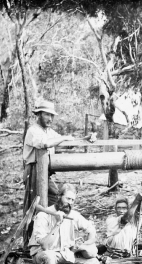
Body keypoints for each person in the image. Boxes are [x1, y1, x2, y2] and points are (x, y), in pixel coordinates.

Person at [21, 99, 93, 240]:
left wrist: (85, 138)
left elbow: (66, 143)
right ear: (39, 114)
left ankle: (52, 236)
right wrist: (64, 137)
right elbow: (44, 143)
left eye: (52, 115)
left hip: (45, 173)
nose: (50, 118)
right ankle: (31, 242)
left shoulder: (49, 131)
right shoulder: (33, 131)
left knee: (55, 199)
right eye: (47, 115)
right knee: (34, 205)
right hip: (33, 171)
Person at [28, 183, 100, 264]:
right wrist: (57, 223)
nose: (70, 203)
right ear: (59, 197)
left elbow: (91, 230)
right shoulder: (43, 215)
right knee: (49, 255)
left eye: (72, 200)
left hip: (64, 254)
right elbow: (45, 246)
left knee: (93, 262)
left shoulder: (74, 215)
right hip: (42, 255)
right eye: (68, 198)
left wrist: (86, 244)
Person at [99, 192, 142, 259]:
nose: (121, 210)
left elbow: (139, 210)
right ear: (115, 209)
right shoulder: (111, 220)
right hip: (112, 254)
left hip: (128, 255)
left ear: (128, 209)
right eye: (119, 208)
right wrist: (137, 200)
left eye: (124, 208)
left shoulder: (134, 222)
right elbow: (125, 219)